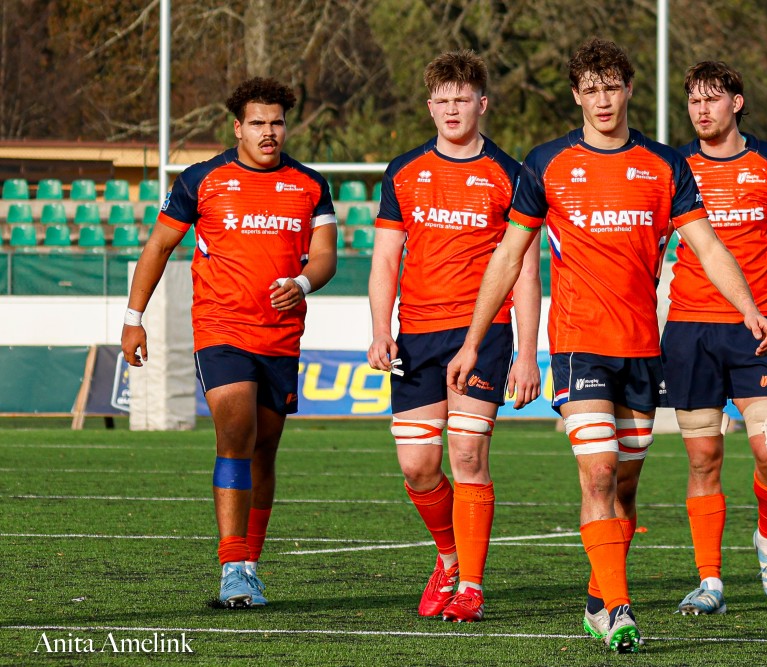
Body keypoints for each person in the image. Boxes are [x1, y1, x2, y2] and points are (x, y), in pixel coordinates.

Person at [446, 39, 767, 653]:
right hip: (578, 345)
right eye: (591, 89)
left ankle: (599, 596)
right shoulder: (546, 163)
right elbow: (509, 257)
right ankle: (621, 611)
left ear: (629, 90)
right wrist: (474, 342)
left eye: (612, 87)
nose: (602, 100)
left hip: (642, 351)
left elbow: (707, 247)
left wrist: (749, 308)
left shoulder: (664, 165)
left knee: (623, 486)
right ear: (576, 95)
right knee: (597, 473)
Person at [121, 77, 338, 608]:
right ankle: (231, 569)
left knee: (264, 449)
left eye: (277, 122)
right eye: (258, 123)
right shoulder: (202, 180)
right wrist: (133, 318)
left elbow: (326, 257)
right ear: (238, 127)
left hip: (281, 337)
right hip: (221, 330)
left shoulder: (310, 185)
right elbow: (158, 246)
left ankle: (250, 567)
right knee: (236, 432)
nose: (269, 132)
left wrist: (302, 283)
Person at [366, 50, 541, 624]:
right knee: (418, 466)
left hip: (483, 333)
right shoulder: (403, 171)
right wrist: (380, 329)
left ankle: (471, 586)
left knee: (467, 453)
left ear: (482, 104)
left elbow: (525, 270)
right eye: (441, 100)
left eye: (462, 99)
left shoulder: (512, 174)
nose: (451, 109)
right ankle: (448, 558)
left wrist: (526, 353)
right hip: (416, 335)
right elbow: (386, 258)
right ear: (429, 106)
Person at [663, 61, 767, 616]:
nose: (701, 109)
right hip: (689, 329)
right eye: (693, 100)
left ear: (736, 102)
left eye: (712, 99)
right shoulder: (676, 166)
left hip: (758, 331)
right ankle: (709, 582)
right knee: (704, 458)